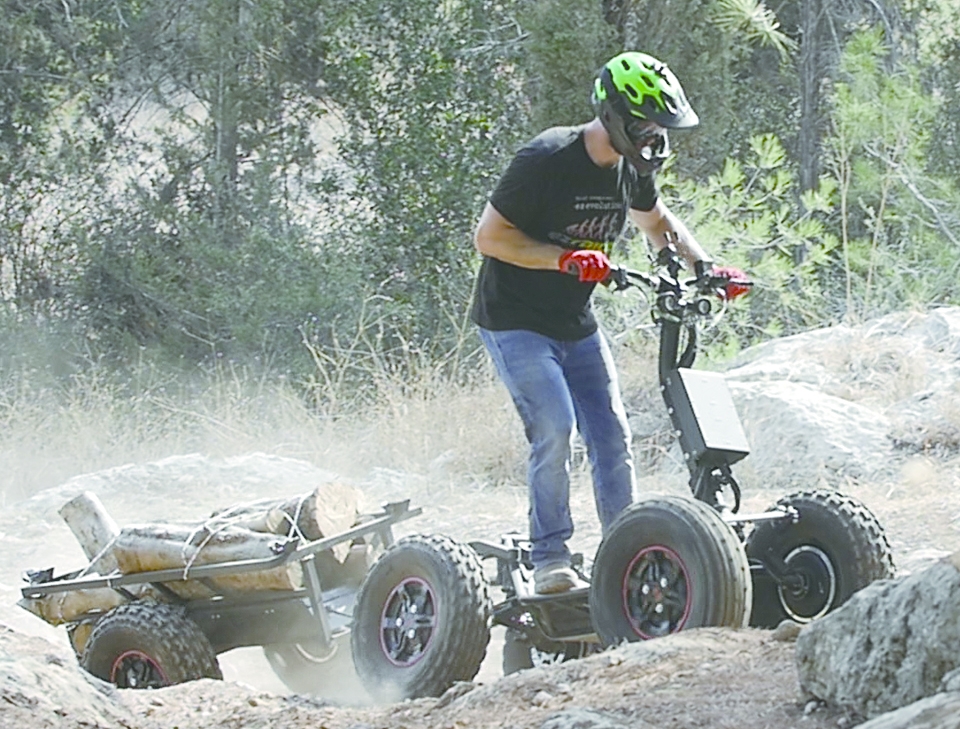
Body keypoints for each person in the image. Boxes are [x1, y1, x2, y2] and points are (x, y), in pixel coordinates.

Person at [469, 51, 717, 594]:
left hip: (574, 321)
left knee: (611, 435)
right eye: (648, 123)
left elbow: (655, 222)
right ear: (617, 115)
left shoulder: (630, 169)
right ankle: (550, 558)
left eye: (660, 126)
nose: (655, 135)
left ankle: (621, 554)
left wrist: (707, 267)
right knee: (555, 427)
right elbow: (488, 238)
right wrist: (563, 258)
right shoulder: (546, 158)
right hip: (515, 320)